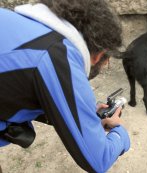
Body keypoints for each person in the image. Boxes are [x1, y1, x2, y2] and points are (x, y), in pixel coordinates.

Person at [0, 0, 130, 172]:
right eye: (107, 61)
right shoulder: (57, 56)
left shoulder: (15, 20)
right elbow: (98, 160)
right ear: (99, 56)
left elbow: (15, 82)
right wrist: (121, 132)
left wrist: (87, 113)